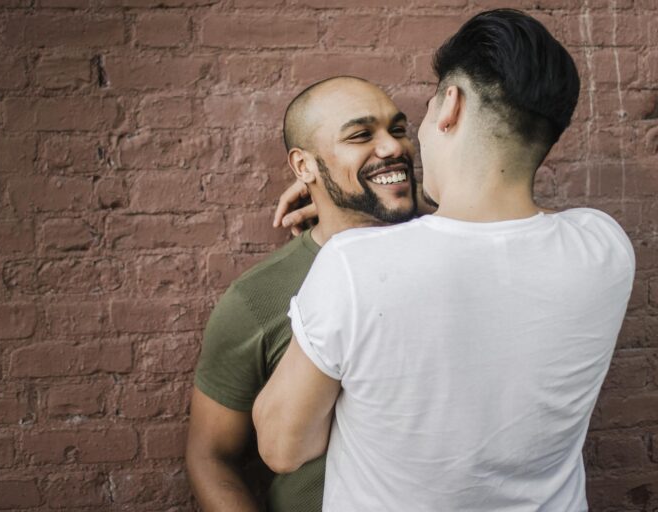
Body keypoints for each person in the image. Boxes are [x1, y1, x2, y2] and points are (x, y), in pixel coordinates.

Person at [253, 9, 635, 512]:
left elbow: (283, 448)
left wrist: (333, 193)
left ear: (450, 105)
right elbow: (478, 241)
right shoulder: (605, 246)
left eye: (422, 114)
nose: (413, 142)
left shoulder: (353, 265)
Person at [186, 76, 421, 511]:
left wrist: (378, 190)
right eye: (361, 136)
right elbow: (210, 455)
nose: (393, 147)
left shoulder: (456, 248)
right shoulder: (257, 298)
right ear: (303, 166)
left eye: (399, 129)